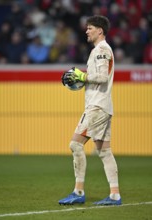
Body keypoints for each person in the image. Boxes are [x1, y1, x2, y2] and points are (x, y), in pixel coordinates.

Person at [59, 15, 122, 206]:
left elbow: (101, 77)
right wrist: (82, 80)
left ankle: (78, 191)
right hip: (103, 105)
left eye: (90, 28)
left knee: (75, 145)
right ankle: (114, 195)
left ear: (100, 31)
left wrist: (82, 76)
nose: (86, 31)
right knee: (104, 151)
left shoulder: (101, 49)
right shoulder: (102, 49)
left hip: (96, 107)